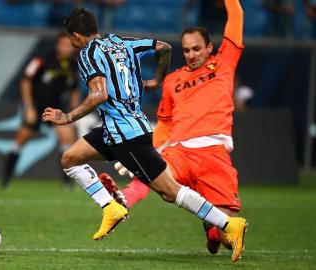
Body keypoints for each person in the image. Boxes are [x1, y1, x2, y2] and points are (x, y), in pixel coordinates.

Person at [42, 7, 247, 262]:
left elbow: (99, 94)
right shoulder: (119, 42)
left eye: (70, 38)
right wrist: (157, 81)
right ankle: (111, 207)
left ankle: (228, 224)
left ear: (75, 36)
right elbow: (164, 48)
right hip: (114, 131)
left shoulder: (87, 54)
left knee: (170, 192)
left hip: (127, 136)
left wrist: (67, 117)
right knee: (70, 159)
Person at [100, 0, 246, 257]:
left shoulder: (224, 63)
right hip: (179, 152)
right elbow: (166, 124)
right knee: (151, 171)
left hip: (214, 155)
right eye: (187, 50)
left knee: (227, 233)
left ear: (210, 47)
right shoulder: (173, 81)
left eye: (197, 49)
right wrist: (145, 149)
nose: (191, 54)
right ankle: (121, 202)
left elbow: (236, 14)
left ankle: (213, 232)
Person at [1, 33, 80, 189]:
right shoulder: (41, 60)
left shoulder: (73, 65)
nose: (66, 48)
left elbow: (74, 89)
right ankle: (6, 181)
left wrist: (75, 111)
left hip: (57, 108)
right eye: (63, 44)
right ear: (57, 45)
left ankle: (67, 184)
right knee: (20, 141)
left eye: (69, 45)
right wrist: (29, 107)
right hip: (37, 107)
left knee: (68, 141)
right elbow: (25, 82)